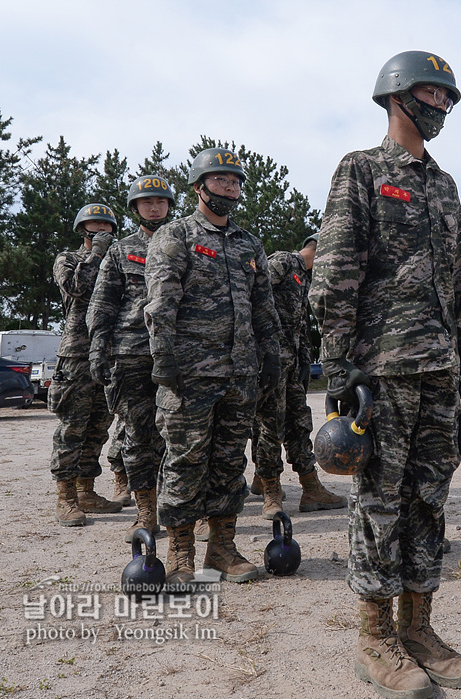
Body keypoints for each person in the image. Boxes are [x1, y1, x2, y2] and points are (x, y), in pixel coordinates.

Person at [308, 51, 461, 697]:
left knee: (428, 501)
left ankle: (420, 627)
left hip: (438, 369)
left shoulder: (446, 185)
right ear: (397, 97)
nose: (440, 106)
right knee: (380, 501)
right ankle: (374, 638)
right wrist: (341, 367)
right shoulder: (362, 170)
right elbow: (334, 275)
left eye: (447, 96)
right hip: (382, 370)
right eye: (430, 93)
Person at [144, 147, 281, 586]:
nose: (230, 188)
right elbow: (161, 304)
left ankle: (221, 547)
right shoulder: (175, 236)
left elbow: (264, 308)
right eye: (221, 180)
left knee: (227, 462)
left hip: (239, 375)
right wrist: (163, 359)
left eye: (236, 182)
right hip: (189, 376)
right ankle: (181, 551)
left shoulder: (248, 244)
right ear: (199, 186)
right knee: (185, 461)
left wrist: (273, 356)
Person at [88, 174, 176, 541]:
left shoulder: (184, 242)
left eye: (160, 201)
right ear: (135, 208)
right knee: (139, 439)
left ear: (170, 206)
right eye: (147, 202)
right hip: (133, 355)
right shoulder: (121, 250)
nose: (154, 207)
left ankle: (189, 510)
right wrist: (98, 348)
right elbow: (102, 302)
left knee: (186, 438)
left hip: (180, 356)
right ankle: (145, 512)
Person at [250, 234, 345, 517]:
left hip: (290, 367)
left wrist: (305, 361)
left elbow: (302, 326)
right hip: (269, 363)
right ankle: (271, 491)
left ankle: (310, 487)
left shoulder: (305, 280)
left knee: (299, 422)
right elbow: (254, 299)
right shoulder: (282, 262)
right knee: (269, 426)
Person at [49, 203, 122, 527]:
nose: (99, 231)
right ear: (83, 230)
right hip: (77, 355)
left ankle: (86, 491)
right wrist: (97, 255)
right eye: (93, 227)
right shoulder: (69, 259)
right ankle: (66, 498)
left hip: (109, 354)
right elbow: (77, 288)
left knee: (97, 429)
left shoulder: (119, 262)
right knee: (72, 429)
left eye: (105, 227)